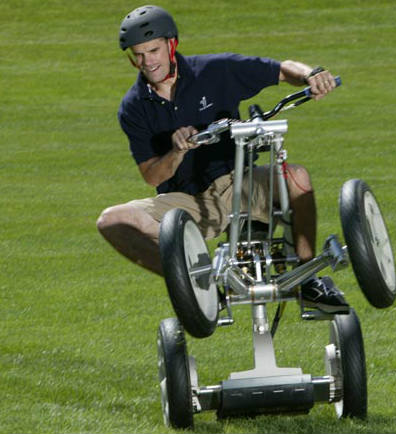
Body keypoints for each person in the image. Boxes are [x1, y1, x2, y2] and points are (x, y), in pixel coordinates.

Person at [96, 5, 349, 314]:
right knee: (111, 221)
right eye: (139, 54)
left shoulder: (215, 70)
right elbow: (152, 176)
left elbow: (282, 70)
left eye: (154, 50)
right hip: (184, 203)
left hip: (238, 182)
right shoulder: (133, 106)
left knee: (297, 177)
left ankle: (307, 277)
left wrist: (310, 74)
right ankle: (191, 283)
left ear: (171, 44)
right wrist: (177, 151)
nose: (148, 62)